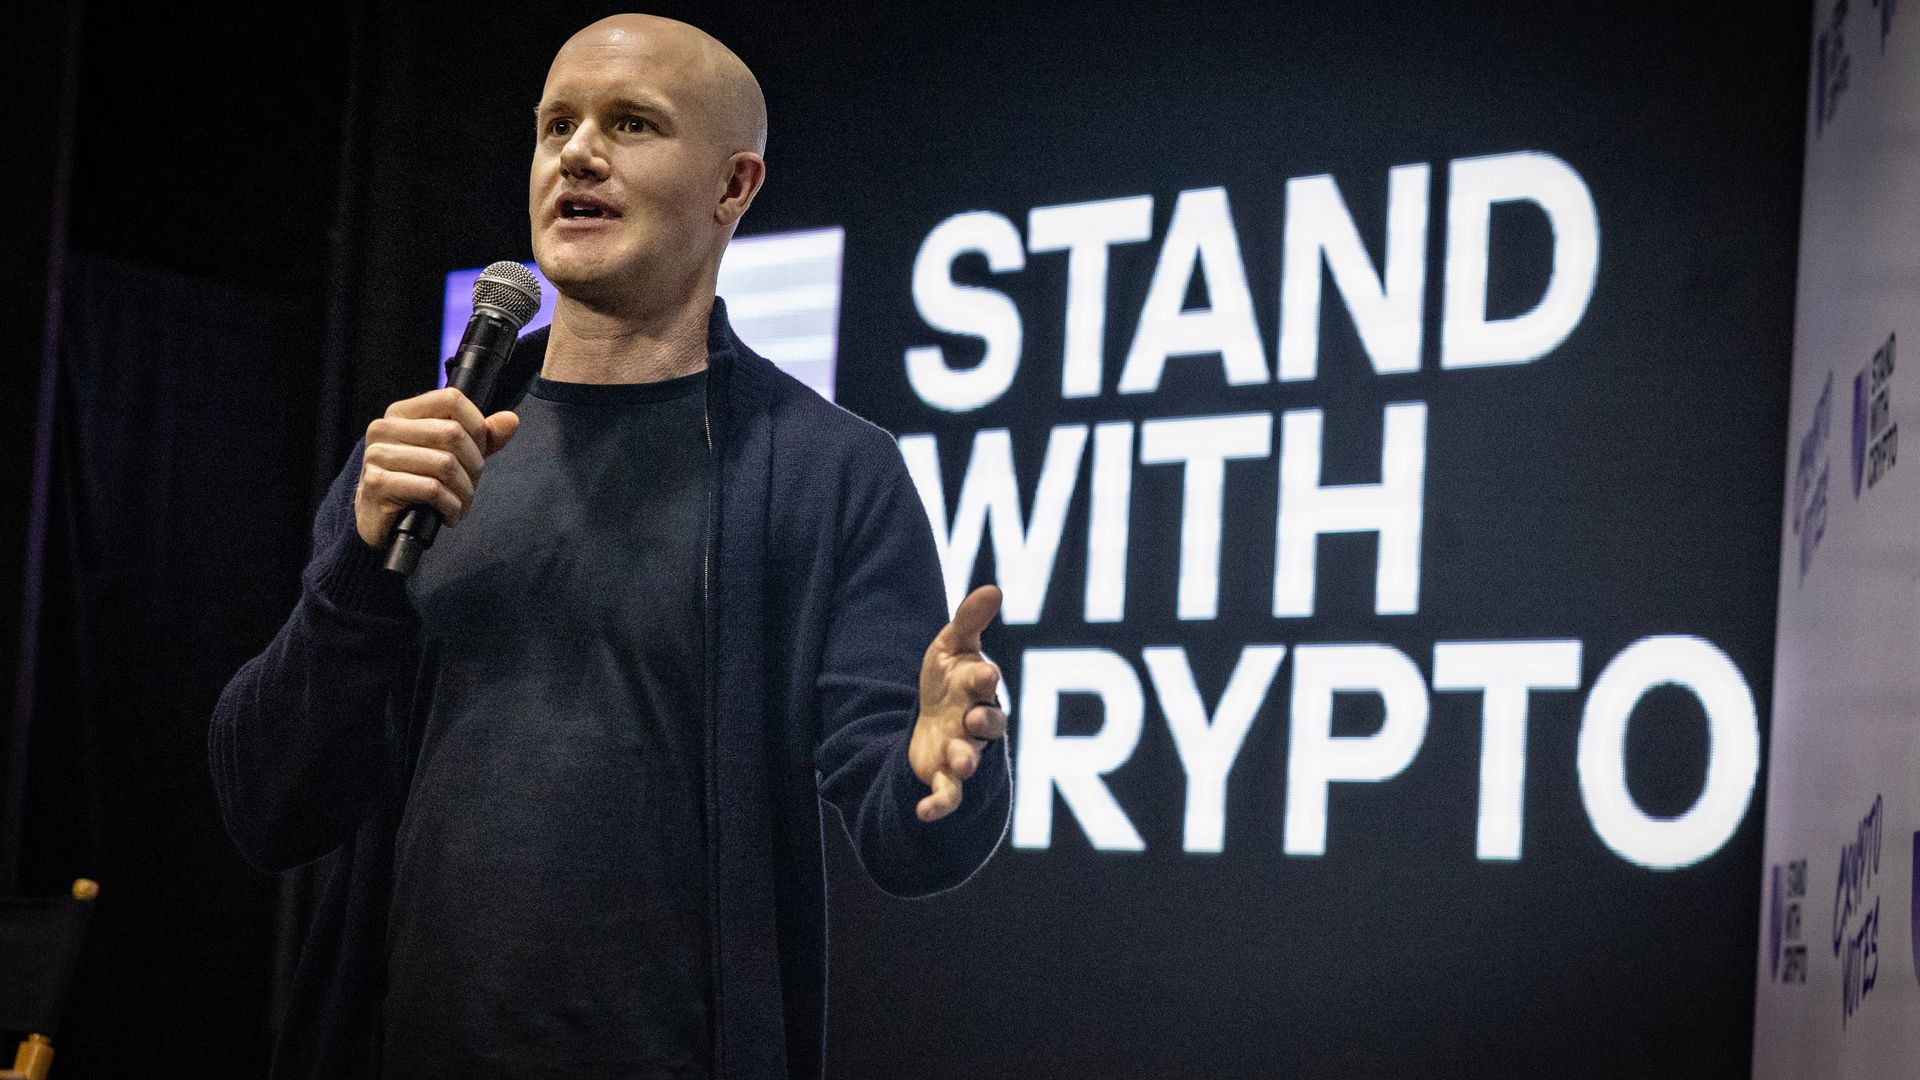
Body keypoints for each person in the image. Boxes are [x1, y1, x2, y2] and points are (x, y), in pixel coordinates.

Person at [209, 14, 1011, 1080]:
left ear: (734, 187)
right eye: (555, 127)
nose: (577, 153)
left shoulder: (827, 471)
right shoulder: (418, 453)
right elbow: (268, 804)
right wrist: (356, 574)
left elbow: (907, 829)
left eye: (630, 124)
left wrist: (940, 767)